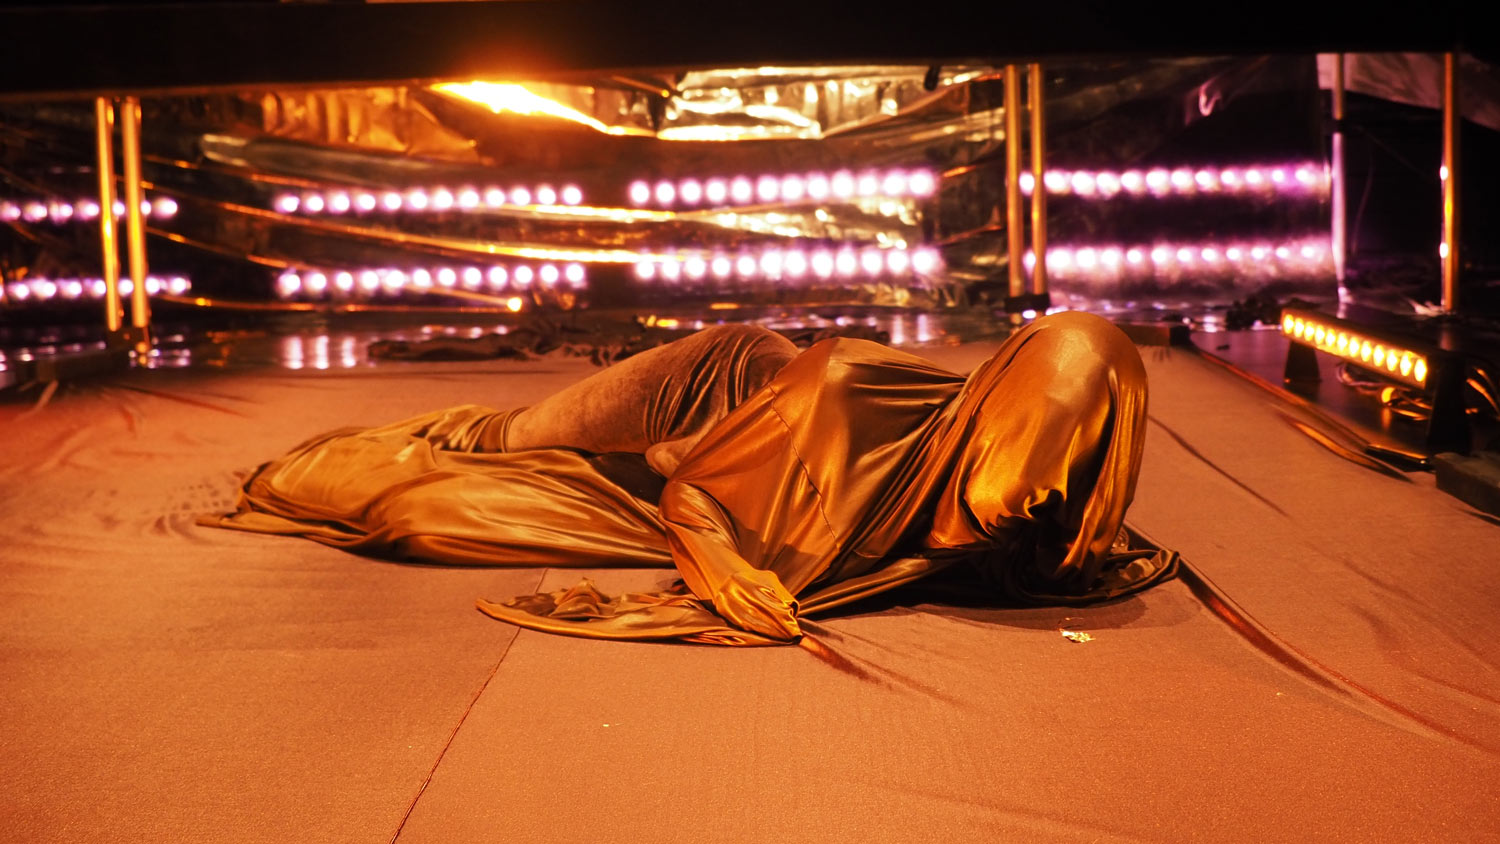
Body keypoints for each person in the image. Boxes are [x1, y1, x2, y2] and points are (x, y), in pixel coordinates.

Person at [206, 311, 1176, 645]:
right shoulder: (847, 398)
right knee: (489, 448)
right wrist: (723, 569)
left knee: (443, 505)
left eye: (1068, 447)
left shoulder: (1057, 509)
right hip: (707, 392)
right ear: (1000, 401)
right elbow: (693, 493)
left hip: (760, 431)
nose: (1037, 479)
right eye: (1033, 431)